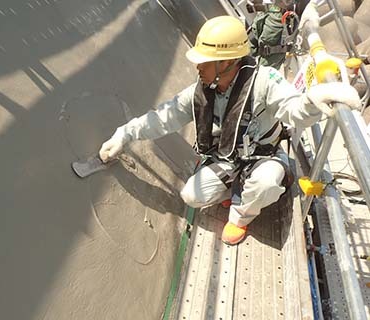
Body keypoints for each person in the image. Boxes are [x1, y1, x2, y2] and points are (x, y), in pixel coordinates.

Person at [98, 15, 360, 245]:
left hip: (263, 157)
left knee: (266, 183)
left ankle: (241, 215)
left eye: (204, 62)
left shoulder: (265, 81)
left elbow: (294, 110)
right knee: (191, 195)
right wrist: (125, 133)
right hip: (229, 157)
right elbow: (165, 116)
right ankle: (237, 188)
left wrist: (314, 100)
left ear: (226, 62)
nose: (197, 68)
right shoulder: (203, 89)